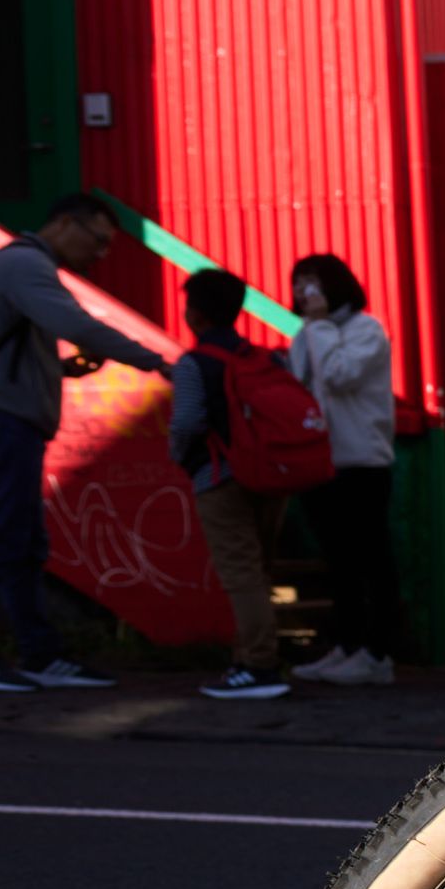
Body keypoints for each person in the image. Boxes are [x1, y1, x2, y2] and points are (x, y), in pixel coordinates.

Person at [0, 193, 161, 694]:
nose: (100, 254)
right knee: (1, 536)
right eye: (97, 241)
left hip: (11, 419)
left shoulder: (24, 265)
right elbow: (77, 325)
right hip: (2, 419)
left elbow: (20, 348)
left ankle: (39, 654)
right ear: (66, 223)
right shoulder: (25, 265)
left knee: (25, 542)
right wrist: (159, 362)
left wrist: (66, 367)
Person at [168, 267, 289, 700]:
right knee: (259, 571)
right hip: (271, 477)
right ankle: (249, 661)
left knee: (240, 575)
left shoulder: (194, 363)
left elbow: (186, 423)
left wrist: (181, 460)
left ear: (194, 313)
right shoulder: (266, 359)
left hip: (219, 477)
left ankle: (259, 667)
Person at [282, 252, 398, 686]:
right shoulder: (307, 333)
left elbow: (338, 375)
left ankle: (377, 654)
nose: (304, 293)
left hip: (362, 462)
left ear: (333, 285)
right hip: (321, 459)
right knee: (338, 560)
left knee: (370, 558)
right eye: (298, 284)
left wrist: (321, 325)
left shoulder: (365, 330)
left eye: (312, 283)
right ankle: (347, 648)